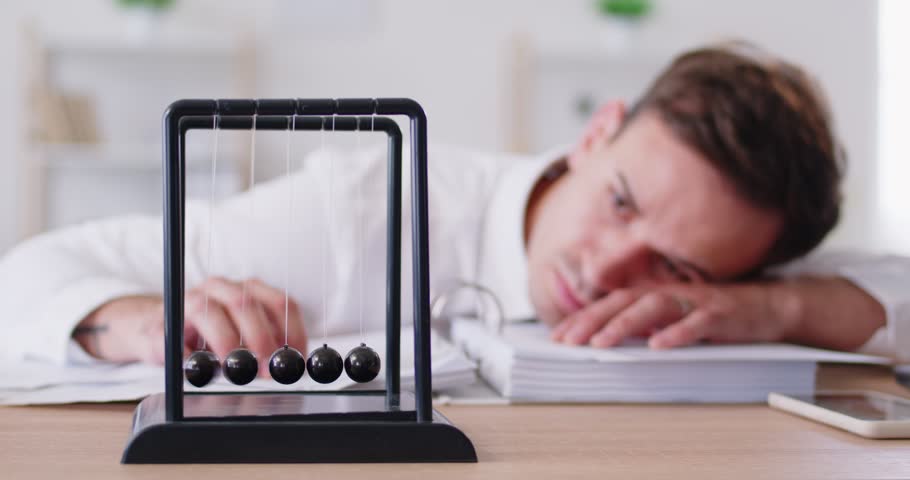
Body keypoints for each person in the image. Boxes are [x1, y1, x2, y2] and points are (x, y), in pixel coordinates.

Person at [0, 42, 907, 374]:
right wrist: (133, 316)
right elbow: (23, 273)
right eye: (620, 201)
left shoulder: (744, 284)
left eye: (678, 267)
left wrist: (774, 306)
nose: (608, 268)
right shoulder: (364, 210)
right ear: (596, 134)